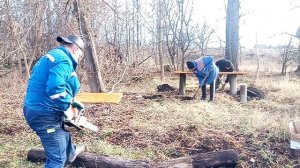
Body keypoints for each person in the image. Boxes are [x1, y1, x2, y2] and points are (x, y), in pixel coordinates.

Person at [23, 35, 85, 167]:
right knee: (57, 160)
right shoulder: (63, 60)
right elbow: (55, 89)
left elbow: (54, 85)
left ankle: (70, 152)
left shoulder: (52, 56)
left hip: (39, 108)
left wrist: (71, 101)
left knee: (63, 139)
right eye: (80, 53)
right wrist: (67, 109)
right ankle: (62, 157)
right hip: (45, 114)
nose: (79, 57)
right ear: (75, 48)